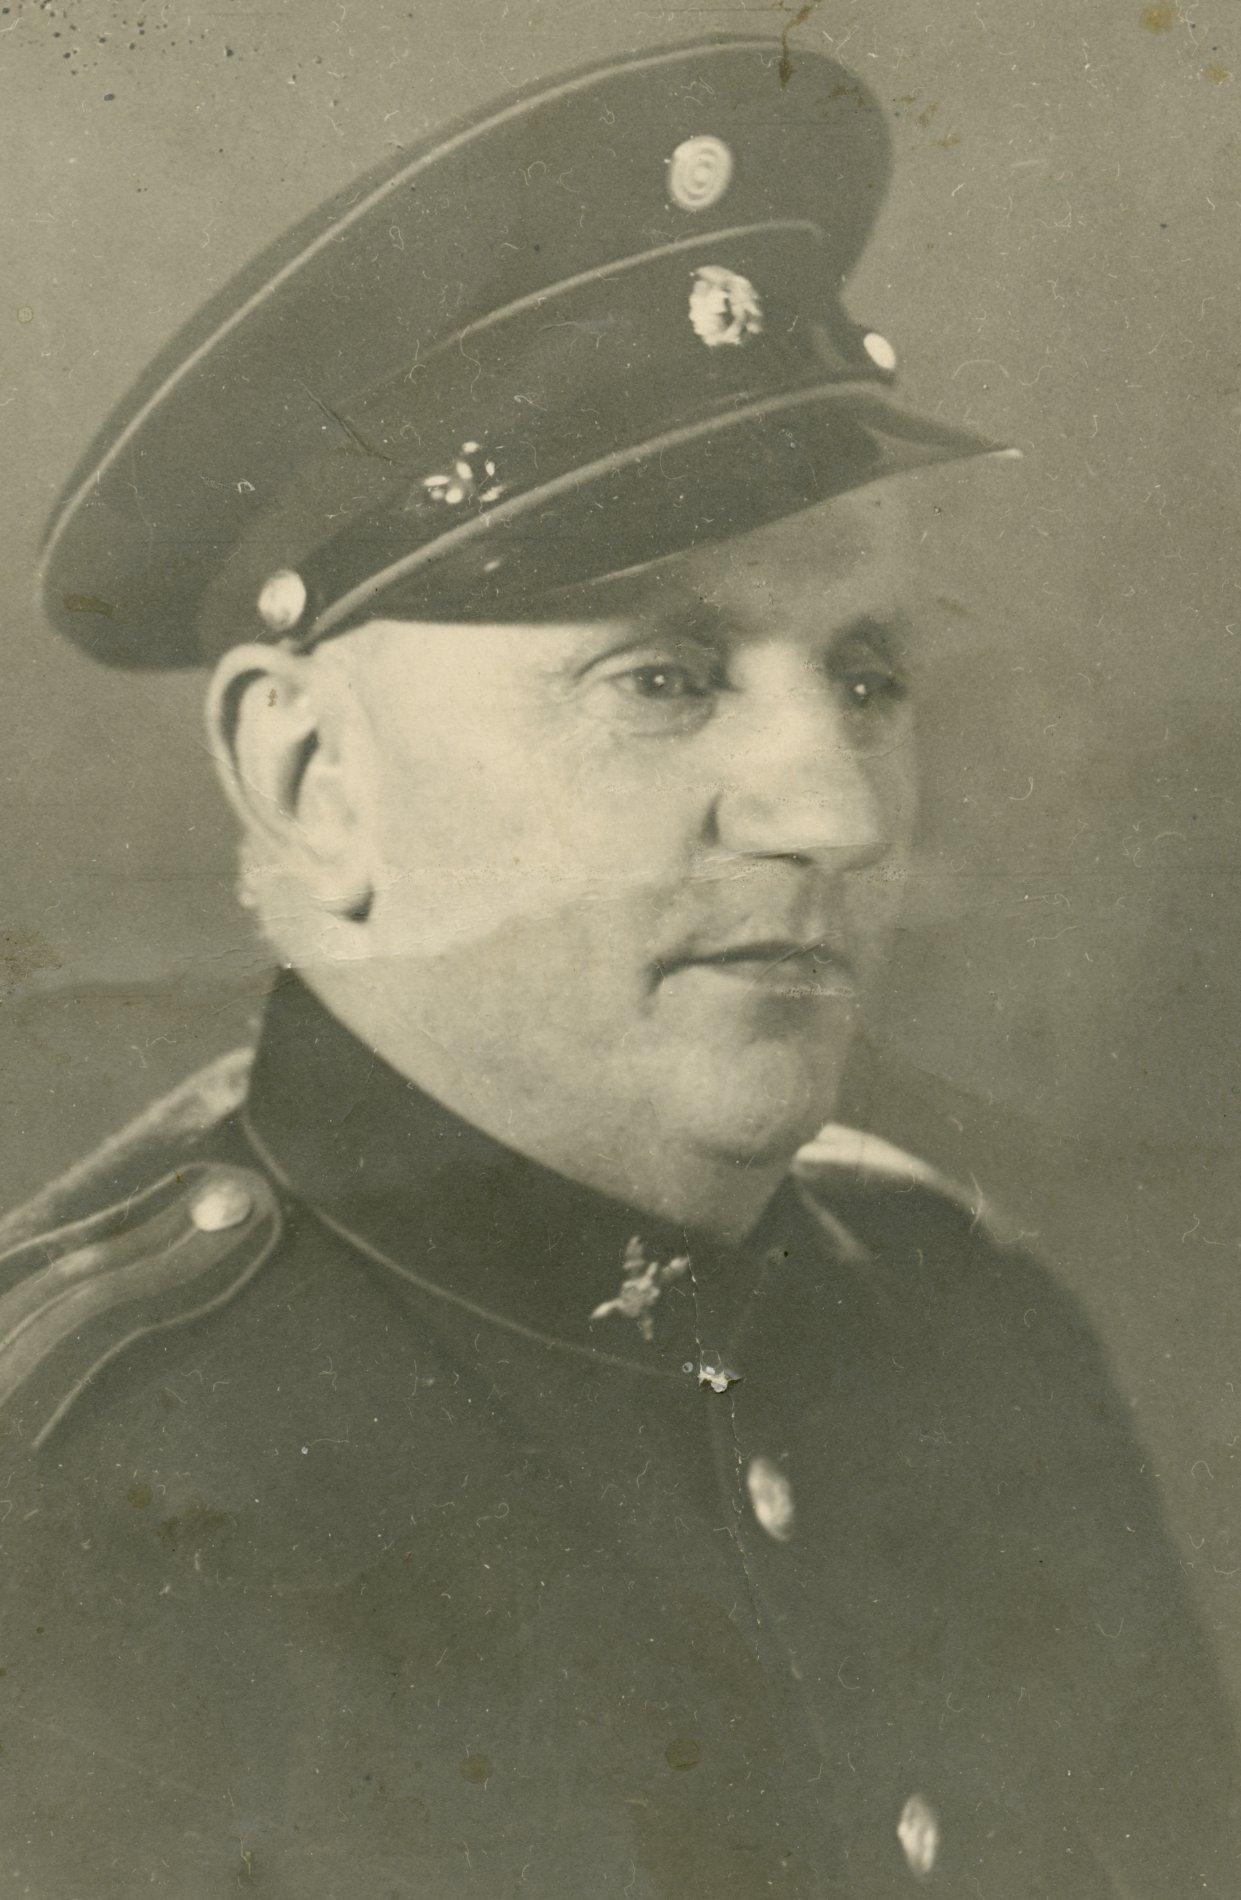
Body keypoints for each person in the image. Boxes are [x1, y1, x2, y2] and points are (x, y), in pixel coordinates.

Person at [2, 34, 1233, 1899]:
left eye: (869, 675)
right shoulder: (79, 1496)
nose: (835, 813)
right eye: (662, 675)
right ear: (311, 777)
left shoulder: (971, 1333)